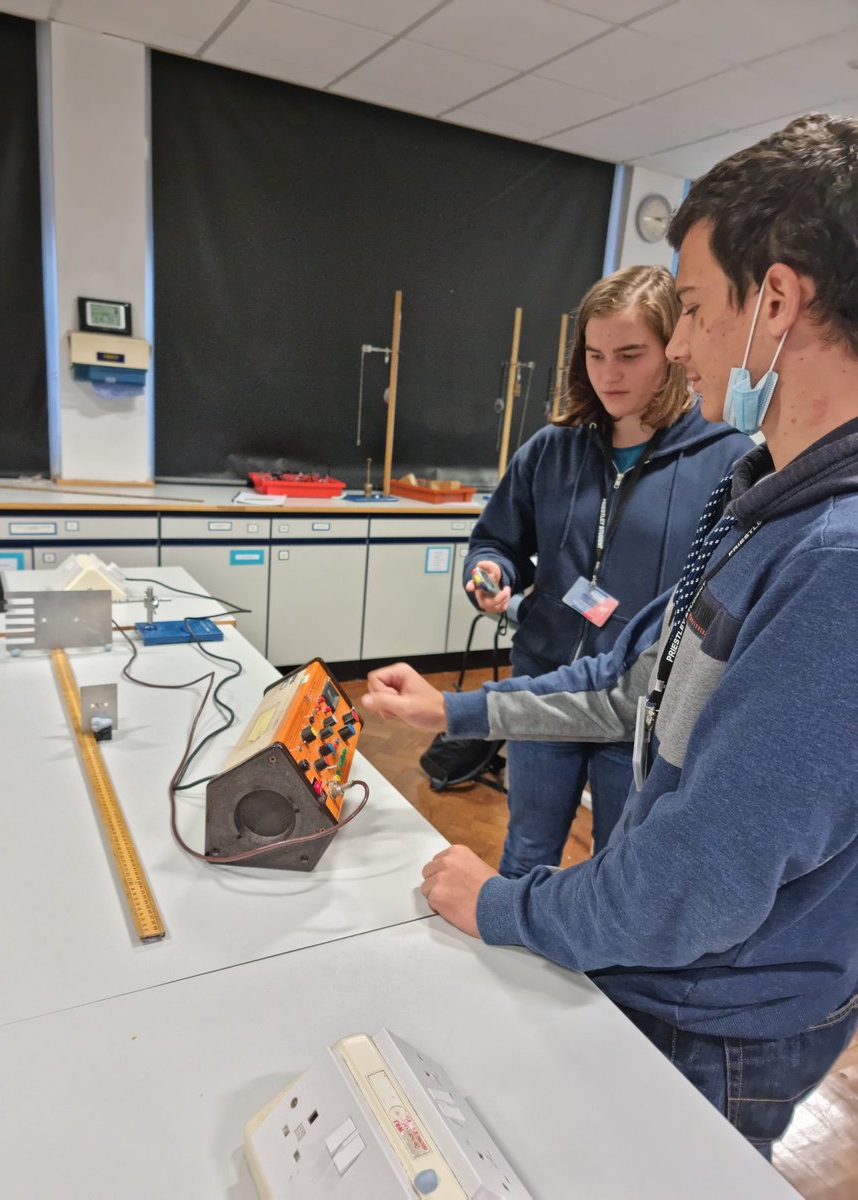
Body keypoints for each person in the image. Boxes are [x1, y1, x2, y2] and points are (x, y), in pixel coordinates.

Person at [364, 112, 858, 1159]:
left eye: (687, 311)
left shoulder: (838, 561)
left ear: (776, 299)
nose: (679, 348)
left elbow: (692, 886)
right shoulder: (765, 497)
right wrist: (455, 709)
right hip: (676, 965)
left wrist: (506, 906)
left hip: (720, 1015)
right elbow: (633, 682)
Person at [463, 265, 751, 876]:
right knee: (526, 853)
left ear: (673, 351)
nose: (608, 374)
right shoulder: (551, 448)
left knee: (618, 866)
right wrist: (490, 569)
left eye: (629, 354)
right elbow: (497, 540)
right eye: (594, 354)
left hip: (642, 704)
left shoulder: (730, 460)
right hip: (545, 684)